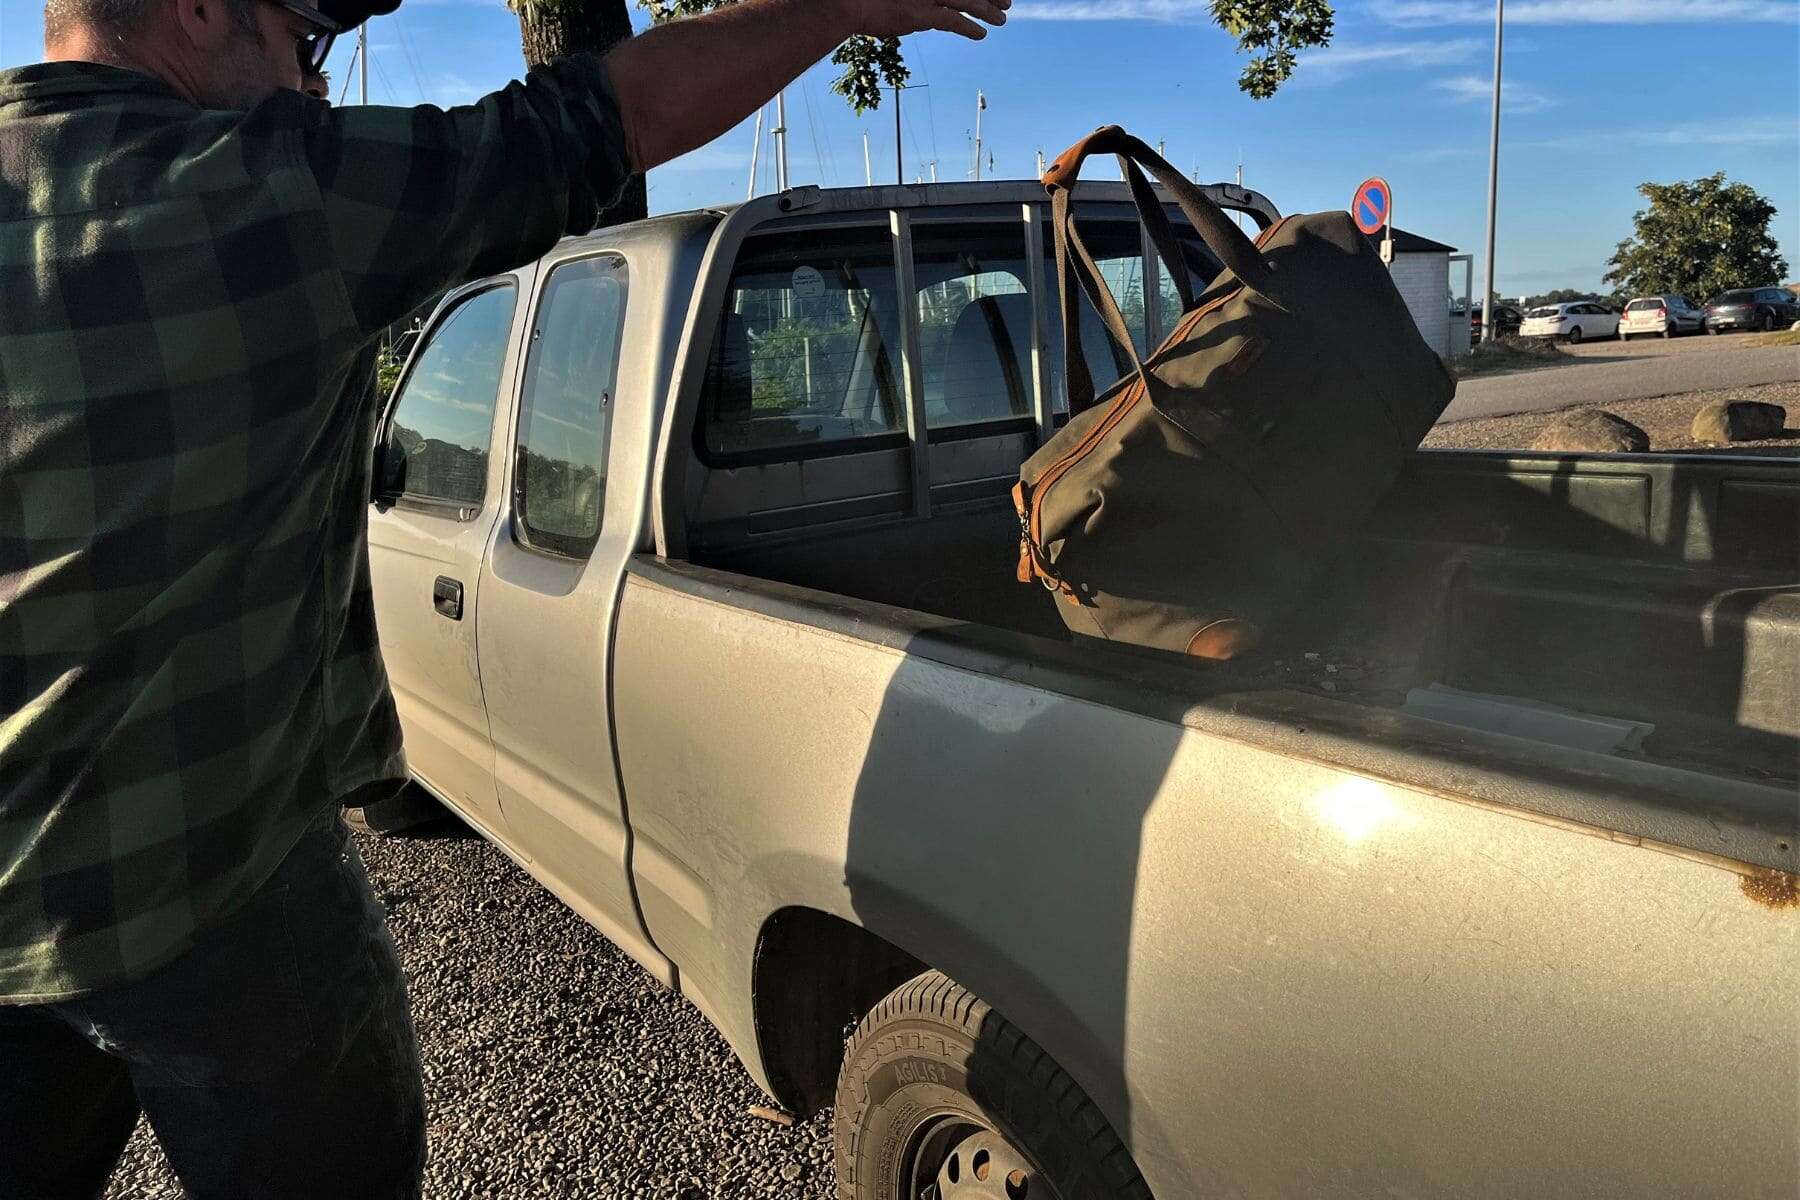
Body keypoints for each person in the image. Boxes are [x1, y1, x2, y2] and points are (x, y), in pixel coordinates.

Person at [0, 0, 1008, 1196]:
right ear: (202, 9)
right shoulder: (263, 199)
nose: (313, 84)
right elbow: (598, 117)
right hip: (217, 899)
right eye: (301, 41)